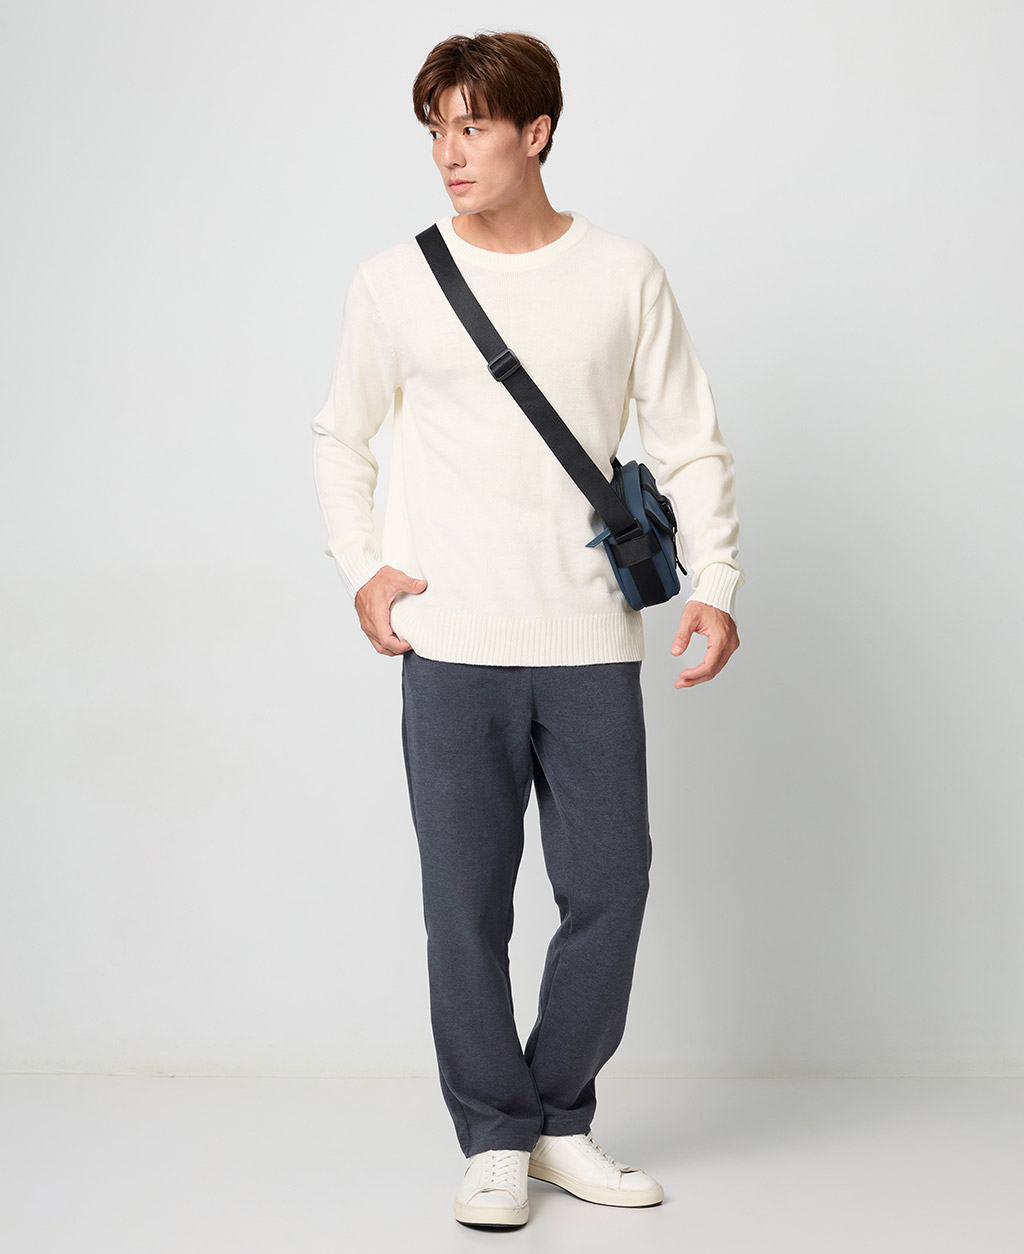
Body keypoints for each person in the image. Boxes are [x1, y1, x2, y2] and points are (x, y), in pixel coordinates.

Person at [311, 29, 744, 1230]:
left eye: (473, 128)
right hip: (451, 644)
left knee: (610, 887)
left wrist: (715, 582)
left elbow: (690, 439)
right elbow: (340, 437)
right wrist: (362, 567)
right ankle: (496, 1137)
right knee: (465, 906)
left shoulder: (623, 273)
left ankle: (558, 1118)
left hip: (590, 640)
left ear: (534, 132)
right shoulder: (394, 281)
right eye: (435, 132)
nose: (449, 155)